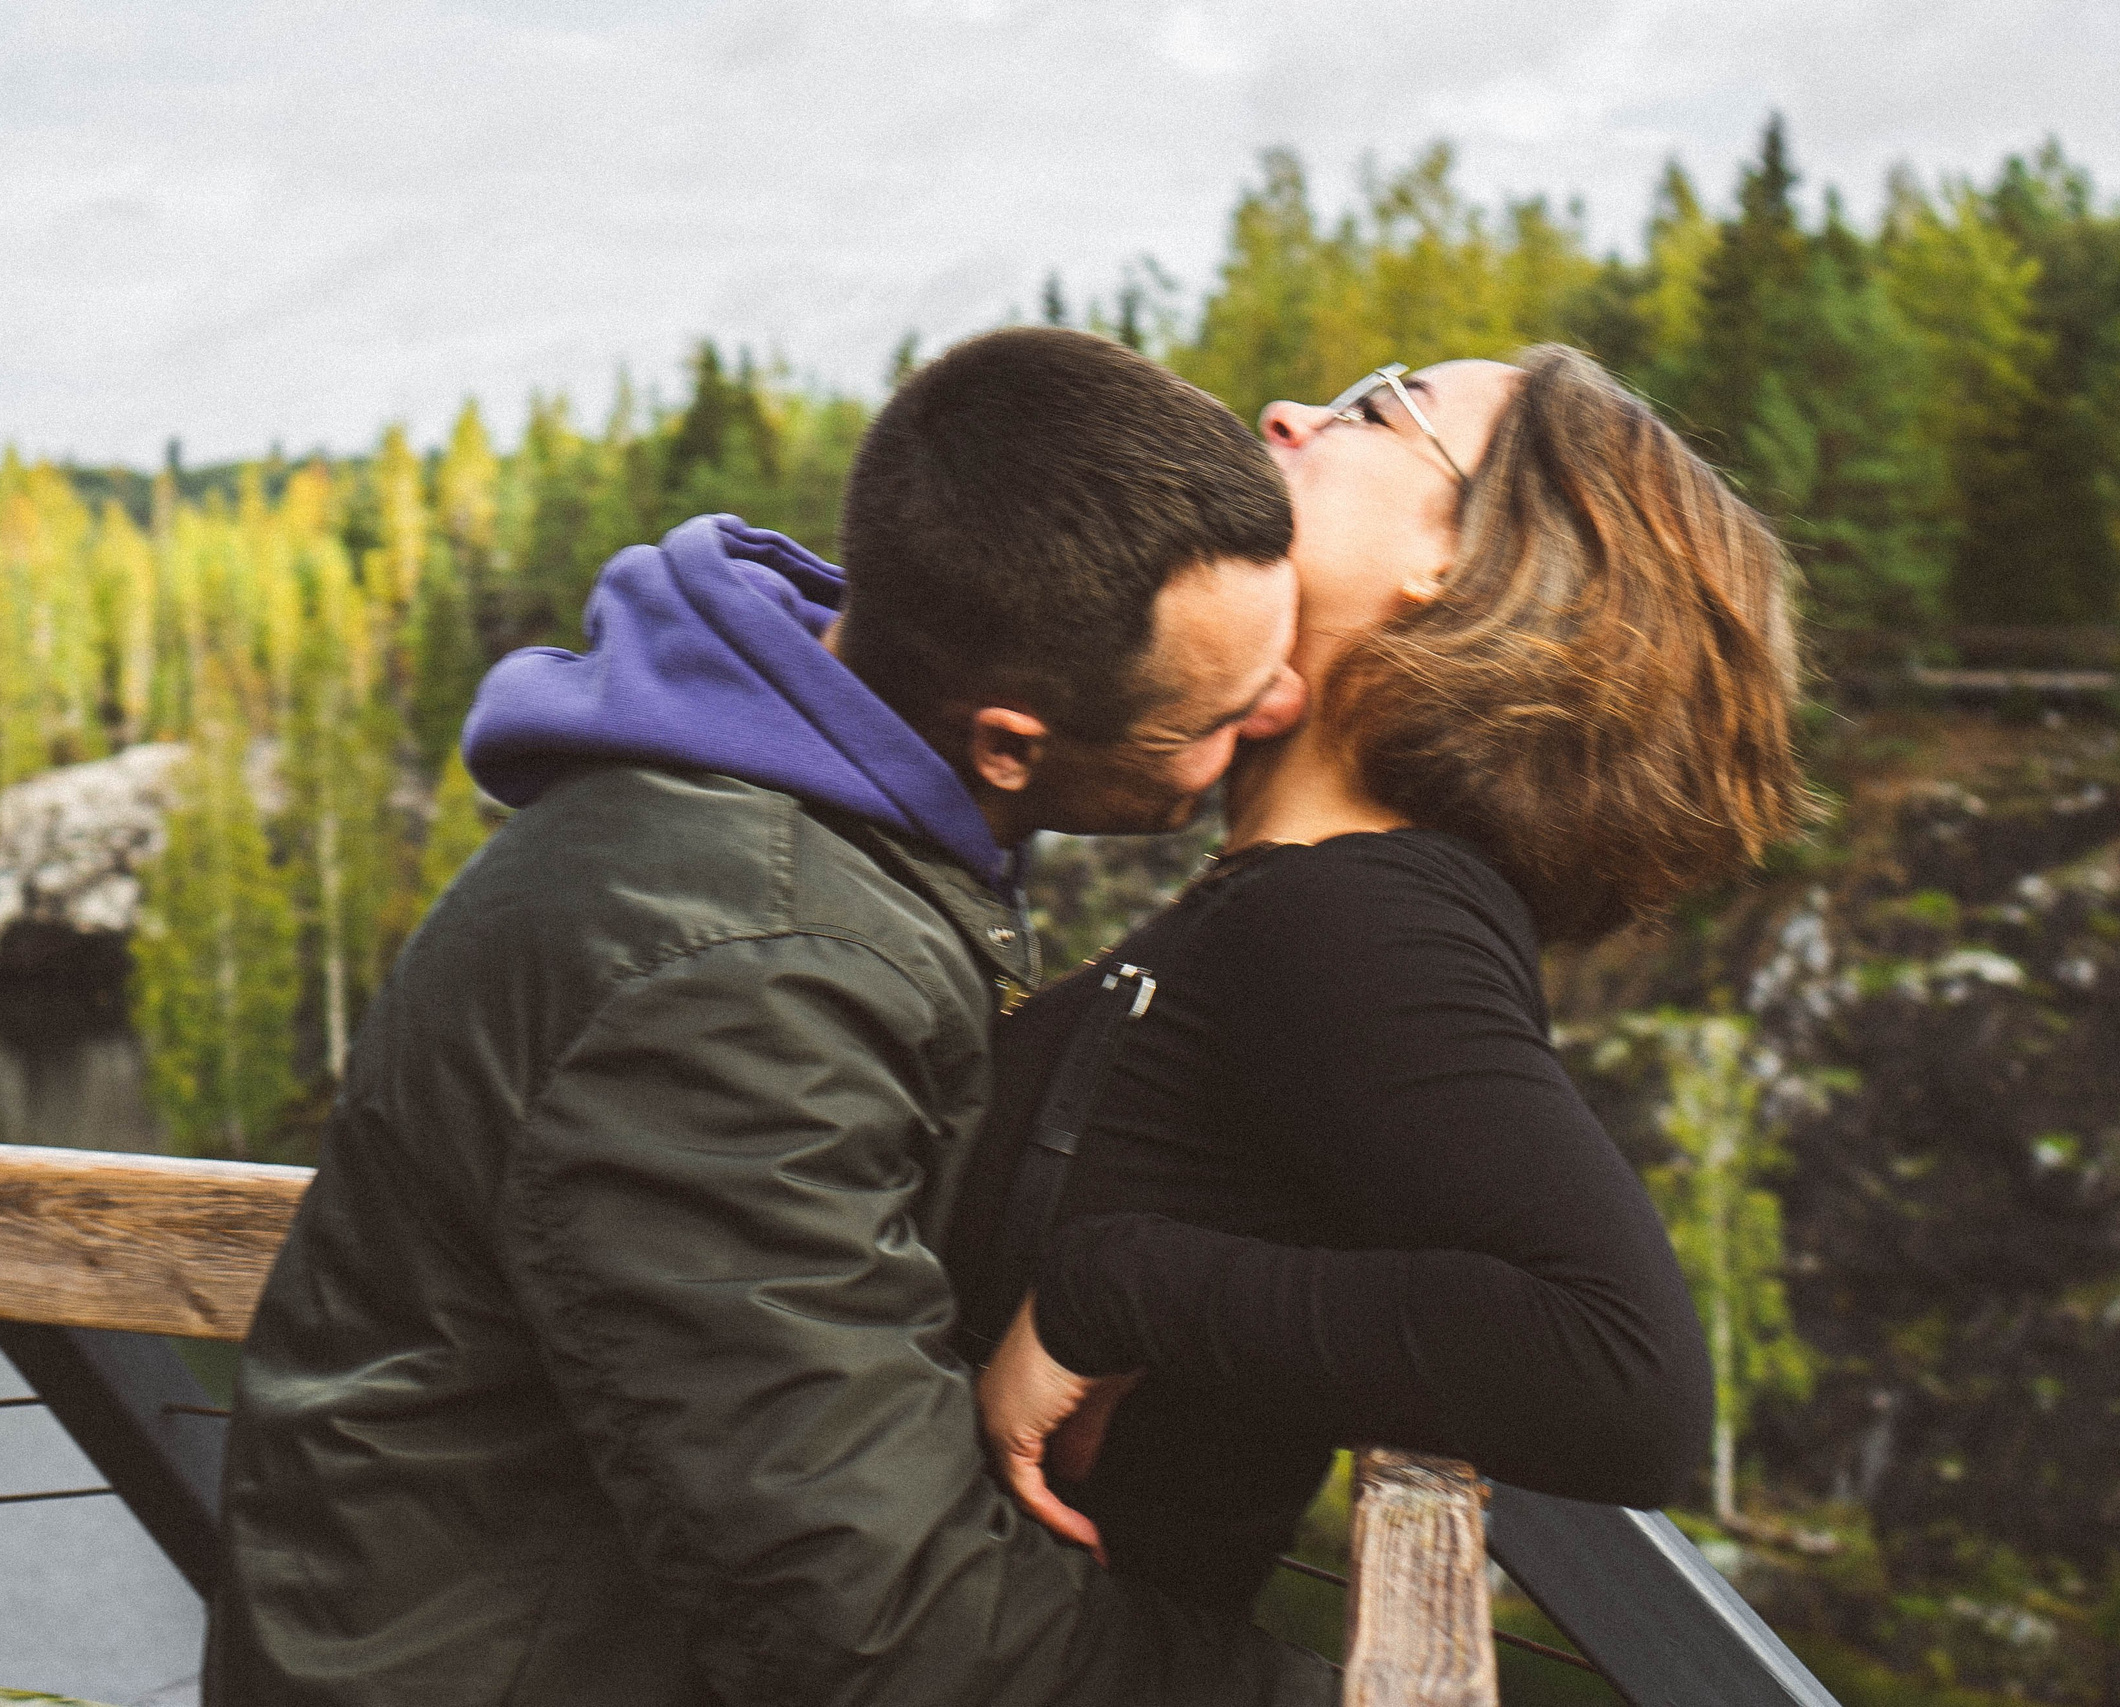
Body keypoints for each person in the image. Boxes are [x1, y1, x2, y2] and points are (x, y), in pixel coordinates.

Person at [203, 328, 1338, 1705]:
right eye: (1217, 715)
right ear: (1007, 744)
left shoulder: (797, 834)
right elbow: (879, 1619)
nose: (1287, 705)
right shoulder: (732, 982)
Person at [958, 347, 1799, 1615]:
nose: (1283, 412)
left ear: (1466, 567)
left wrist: (1115, 1291)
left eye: (1376, 409)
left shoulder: (1355, 911)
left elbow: (1619, 1376)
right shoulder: (1299, 901)